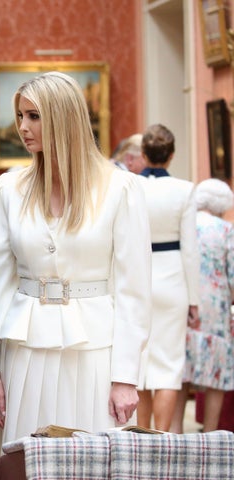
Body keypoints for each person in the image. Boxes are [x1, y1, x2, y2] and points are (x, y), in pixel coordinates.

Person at [0, 72, 151, 458]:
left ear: (64, 117)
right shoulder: (8, 189)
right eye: (21, 115)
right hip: (24, 349)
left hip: (95, 351)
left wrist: (126, 377)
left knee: (91, 458)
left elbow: (134, 289)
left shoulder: (120, 189)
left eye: (34, 116)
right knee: (25, 457)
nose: (22, 127)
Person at [136, 123, 199, 432]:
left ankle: (140, 437)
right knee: (168, 365)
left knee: (139, 364)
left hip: (138, 276)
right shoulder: (185, 190)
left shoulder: (129, 186)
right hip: (173, 278)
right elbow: (191, 249)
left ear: (143, 154)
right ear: (171, 155)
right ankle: (161, 438)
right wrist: (195, 300)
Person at [171, 178, 234, 433]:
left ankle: (174, 431)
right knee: (215, 374)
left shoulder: (183, 226)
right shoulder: (226, 230)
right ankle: (210, 433)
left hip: (183, 306)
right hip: (215, 309)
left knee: (180, 372)